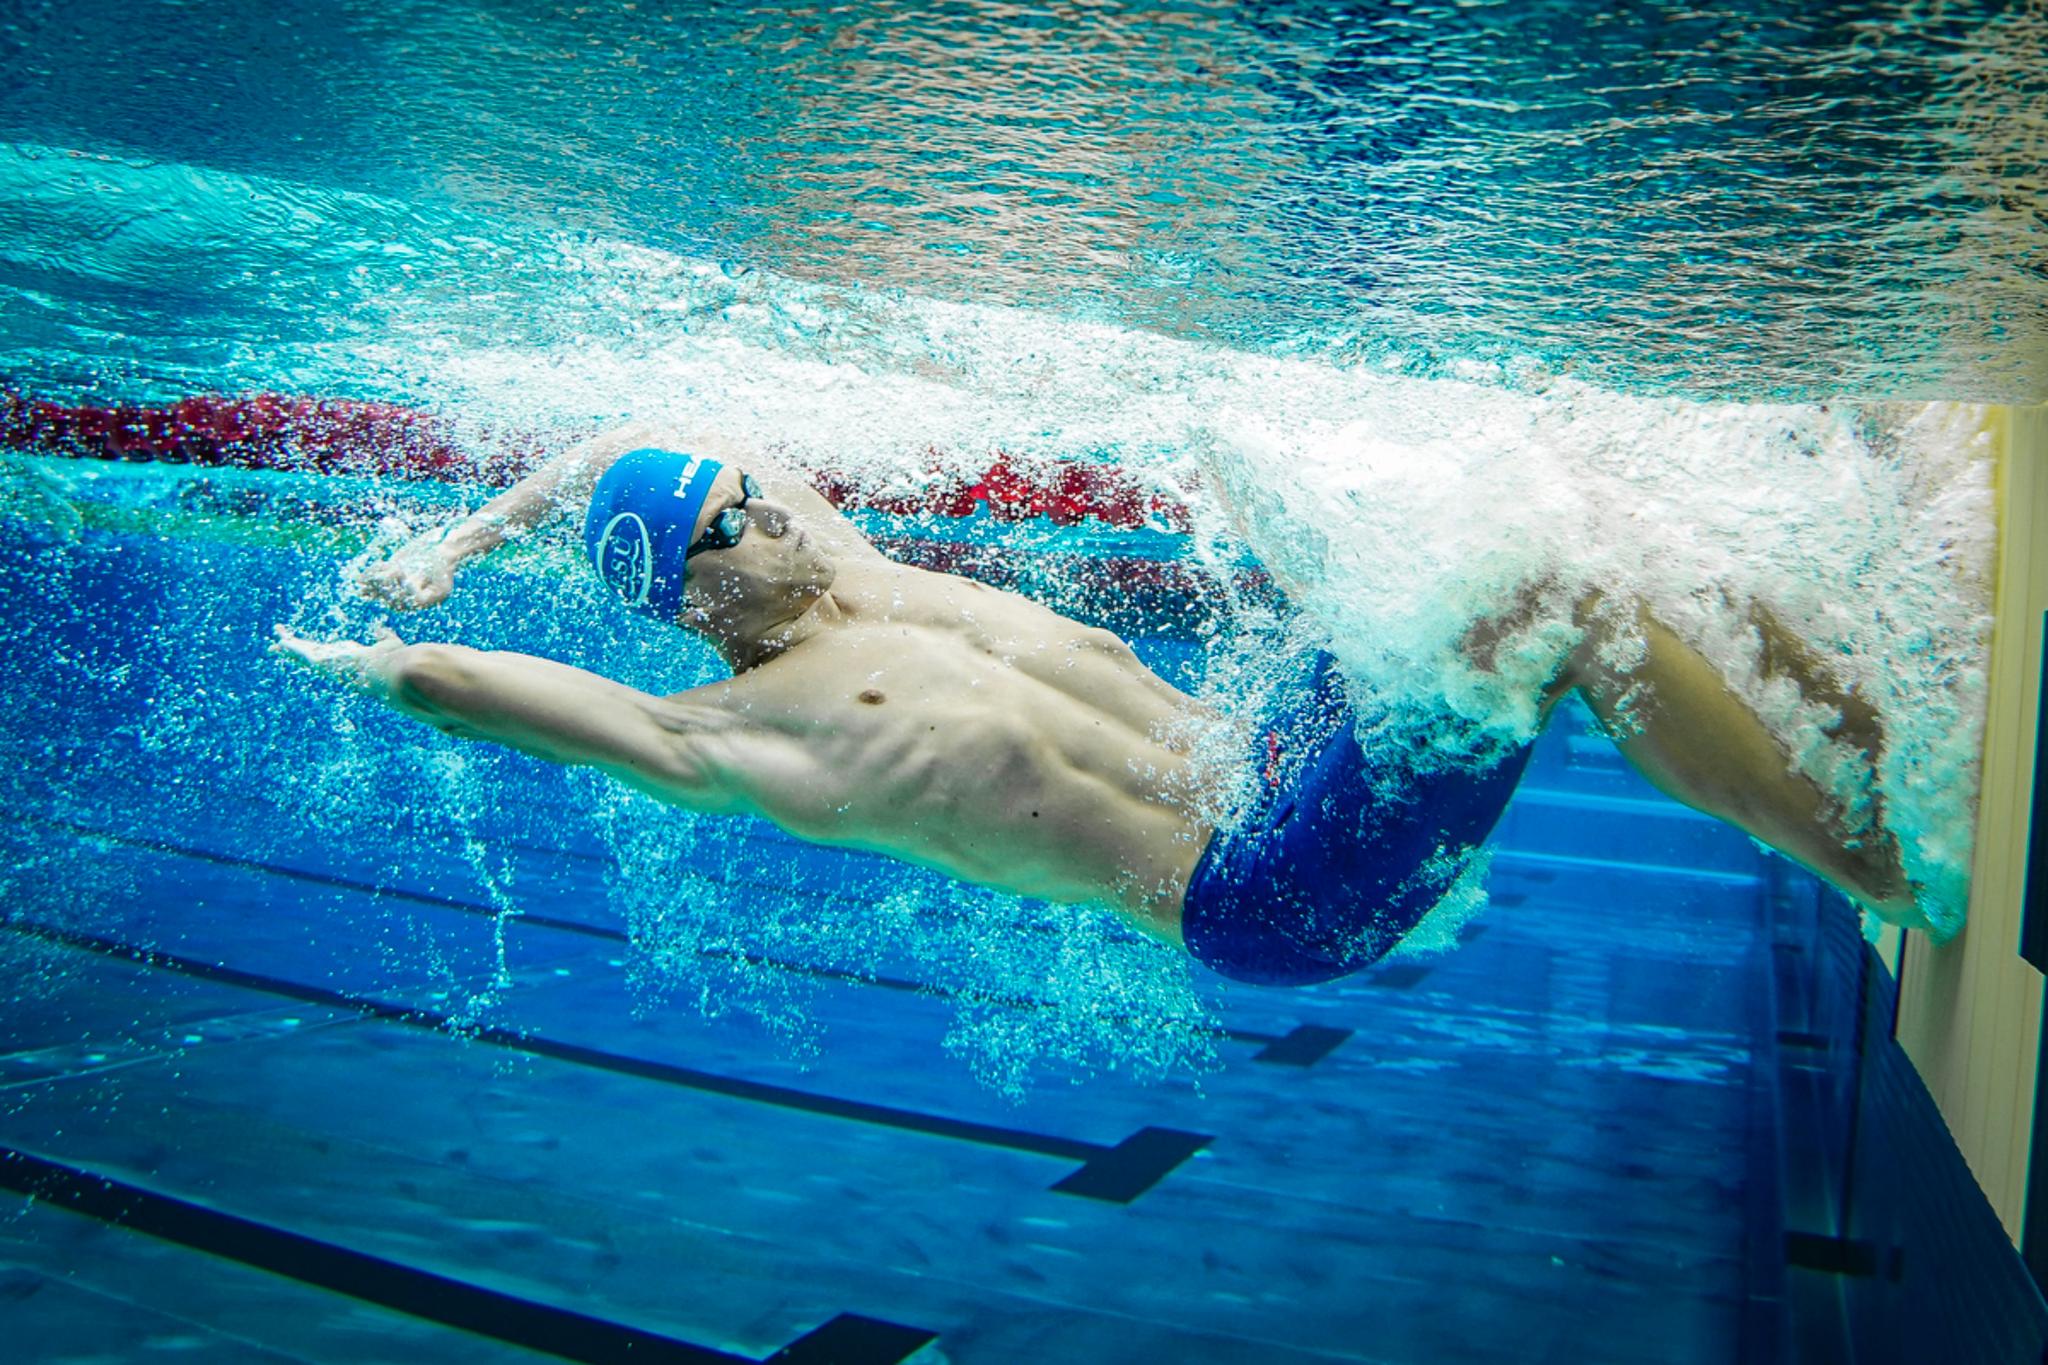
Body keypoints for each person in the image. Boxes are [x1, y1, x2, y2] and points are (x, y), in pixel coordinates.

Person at [273, 423, 1923, 988]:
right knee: (1541, 597)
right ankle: (1870, 855)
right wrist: (390, 654)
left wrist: (461, 536)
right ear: (687, 595)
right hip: (1269, 888)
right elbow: (496, 688)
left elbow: (650, 437)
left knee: (1537, 496)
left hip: (1273, 752)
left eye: (756, 497)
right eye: (730, 523)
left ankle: (1867, 745)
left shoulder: (853, 575)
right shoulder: (744, 736)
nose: (772, 512)